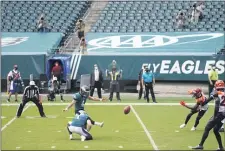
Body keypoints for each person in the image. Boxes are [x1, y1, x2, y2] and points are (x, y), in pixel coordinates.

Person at [192, 80, 225, 150]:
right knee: (216, 130)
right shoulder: (222, 93)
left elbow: (217, 105)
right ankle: (221, 147)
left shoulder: (217, 93)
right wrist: (203, 102)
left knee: (207, 128)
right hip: (223, 114)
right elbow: (207, 101)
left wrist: (215, 116)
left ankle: (201, 145)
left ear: (216, 86)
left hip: (219, 114)